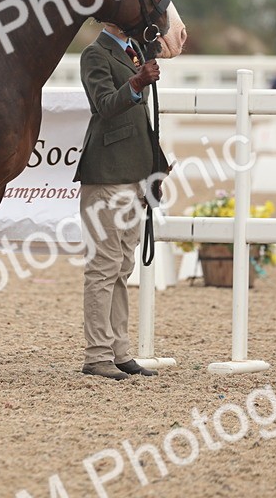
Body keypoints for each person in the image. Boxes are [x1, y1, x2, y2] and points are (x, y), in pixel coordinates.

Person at [72, 22, 167, 381]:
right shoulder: (95, 55)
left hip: (132, 175)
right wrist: (138, 82)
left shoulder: (134, 51)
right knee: (103, 267)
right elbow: (106, 105)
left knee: (122, 267)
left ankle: (118, 350)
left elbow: (141, 123)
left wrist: (154, 170)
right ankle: (97, 355)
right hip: (107, 175)